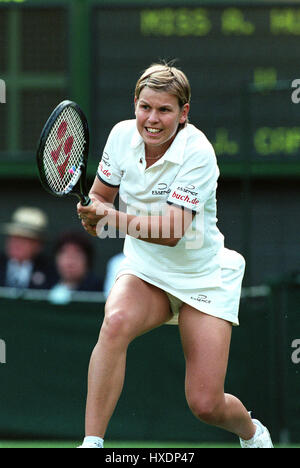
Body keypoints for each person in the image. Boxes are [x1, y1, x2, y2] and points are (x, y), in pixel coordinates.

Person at [76, 63, 273, 448]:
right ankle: (92, 443)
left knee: (205, 404)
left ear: (184, 113)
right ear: (135, 103)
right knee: (114, 322)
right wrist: (94, 215)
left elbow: (170, 232)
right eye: (145, 107)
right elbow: (100, 197)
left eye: (164, 110)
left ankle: (252, 433)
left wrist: (110, 219)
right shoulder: (120, 137)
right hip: (145, 272)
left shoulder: (198, 152)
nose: (152, 119)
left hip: (204, 277)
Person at [0, 206, 56, 290]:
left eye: (24, 240)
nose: (16, 244)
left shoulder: (50, 271)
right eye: (14, 237)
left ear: (38, 245)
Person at [49, 232, 103, 304]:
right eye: (65, 256)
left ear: (87, 261)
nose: (69, 263)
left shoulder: (100, 289)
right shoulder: (43, 284)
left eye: (76, 256)